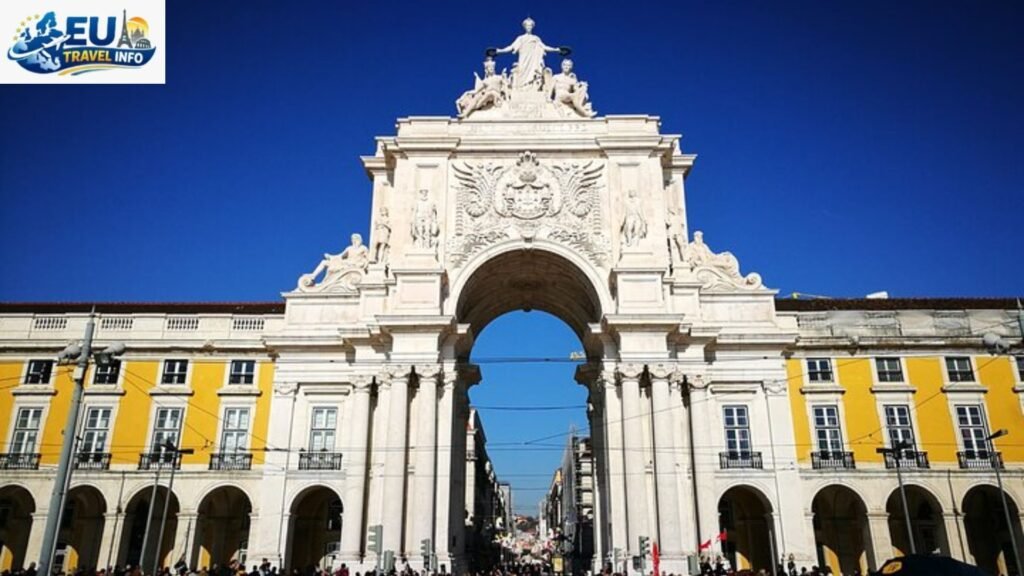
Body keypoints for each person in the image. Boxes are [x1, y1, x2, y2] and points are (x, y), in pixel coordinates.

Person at [495, 18, 562, 90]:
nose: (529, 27)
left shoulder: (536, 38)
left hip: (533, 60)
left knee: (533, 73)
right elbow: (511, 47)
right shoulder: (520, 38)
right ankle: (521, 88)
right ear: (525, 27)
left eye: (530, 26)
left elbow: (544, 47)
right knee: (521, 72)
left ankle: (533, 88)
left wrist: (556, 50)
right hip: (523, 58)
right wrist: (500, 51)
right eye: (527, 26)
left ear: (532, 27)